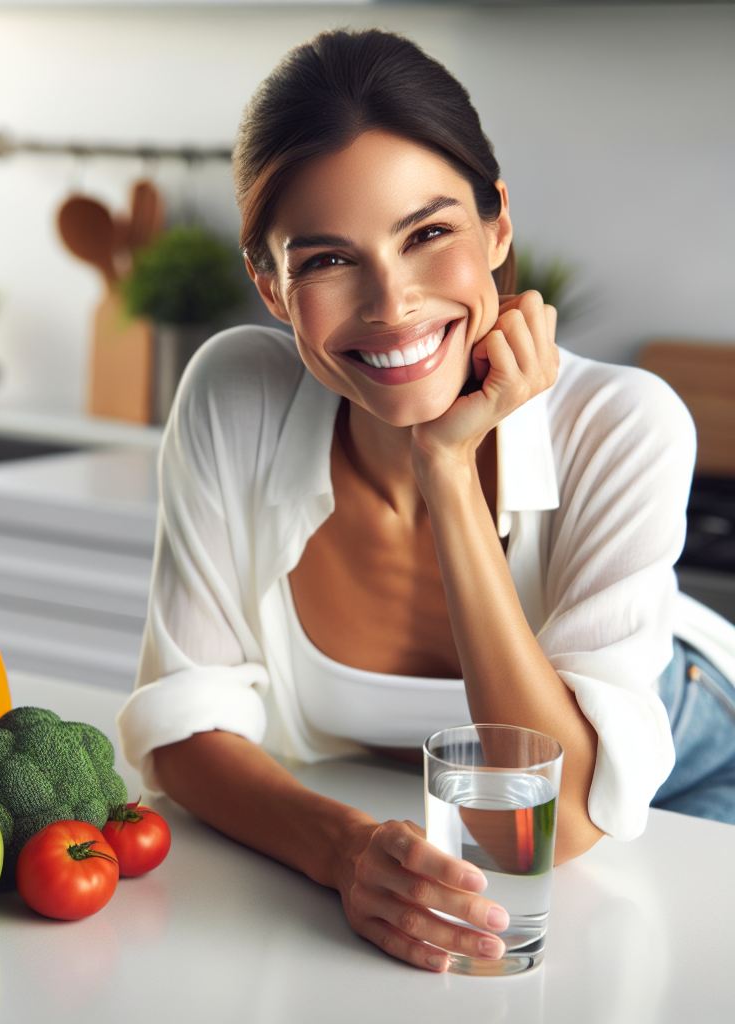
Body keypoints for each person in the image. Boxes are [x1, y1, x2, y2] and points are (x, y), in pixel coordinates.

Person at [117, 28, 735, 972]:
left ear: (497, 226)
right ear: (270, 287)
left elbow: (558, 826)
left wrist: (445, 470)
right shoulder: (230, 393)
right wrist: (344, 848)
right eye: (327, 259)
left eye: (429, 234)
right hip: (410, 810)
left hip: (697, 764)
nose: (393, 303)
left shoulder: (626, 424)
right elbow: (182, 727)